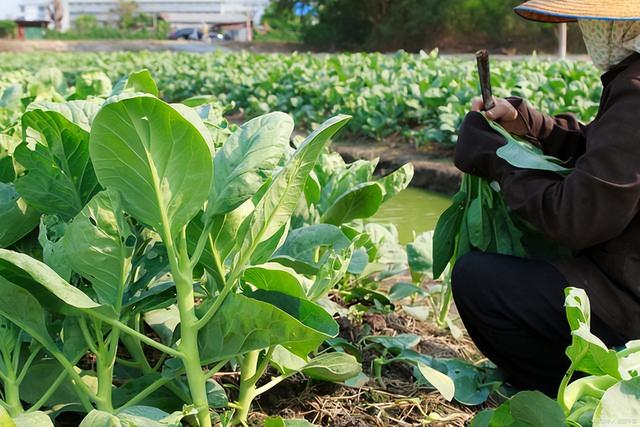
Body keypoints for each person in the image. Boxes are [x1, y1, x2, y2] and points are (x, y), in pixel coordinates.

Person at [451, 0, 640, 396]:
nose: (591, 30)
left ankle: (579, 394)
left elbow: (575, 218)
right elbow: (608, 152)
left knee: (478, 282)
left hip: (631, 302)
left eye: (594, 22)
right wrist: (530, 124)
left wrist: (501, 162)